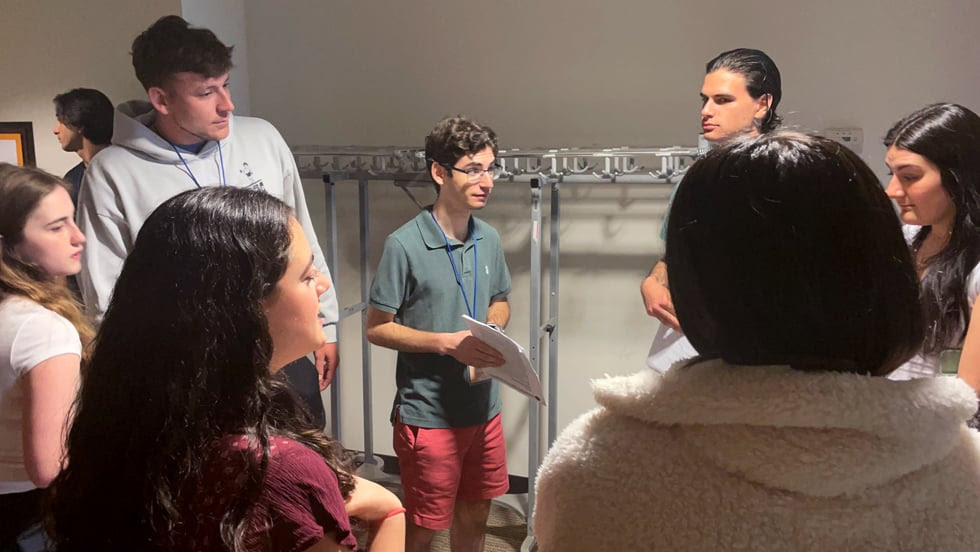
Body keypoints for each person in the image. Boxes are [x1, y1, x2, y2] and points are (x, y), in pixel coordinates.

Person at [533, 131, 980, 550]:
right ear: (882, 278)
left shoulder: (595, 467)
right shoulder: (964, 474)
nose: (895, 190)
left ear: (698, 282)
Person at [49, 187, 404, 551]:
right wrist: (391, 514)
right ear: (249, 306)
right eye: (305, 275)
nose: (323, 284)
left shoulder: (131, 426)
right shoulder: (274, 467)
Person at [75, 15, 338, 427]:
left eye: (225, 85)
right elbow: (105, 293)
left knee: (303, 468)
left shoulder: (262, 139)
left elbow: (302, 237)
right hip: (189, 370)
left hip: (282, 349)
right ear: (161, 100)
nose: (227, 104)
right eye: (206, 92)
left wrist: (328, 322)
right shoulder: (114, 172)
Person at [365, 116, 511, 552]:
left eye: (491, 168)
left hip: (484, 407)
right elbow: (377, 328)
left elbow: (500, 297)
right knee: (426, 525)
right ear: (439, 172)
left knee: (477, 511)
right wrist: (448, 343)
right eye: (473, 169)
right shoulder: (404, 244)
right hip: (428, 415)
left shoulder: (489, 238)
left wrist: (495, 328)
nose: (486, 181)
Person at [640, 48, 782, 333]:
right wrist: (654, 282)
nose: (706, 111)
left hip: (766, 341)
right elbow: (673, 257)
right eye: (705, 100)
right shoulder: (695, 179)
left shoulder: (788, 176)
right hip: (690, 338)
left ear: (762, 104)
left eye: (723, 100)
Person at [0, 164, 91, 550]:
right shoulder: (43, 331)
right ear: (9, 245)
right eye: (56, 227)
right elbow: (49, 466)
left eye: (73, 220)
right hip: (27, 517)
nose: (78, 237)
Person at [883, 103, 980, 387]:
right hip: (888, 409)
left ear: (959, 178)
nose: (892, 191)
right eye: (891, 173)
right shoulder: (911, 236)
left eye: (909, 177)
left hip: (940, 423)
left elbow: (968, 393)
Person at [52, 88, 114, 204]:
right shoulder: (72, 179)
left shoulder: (123, 169)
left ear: (78, 124)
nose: (55, 130)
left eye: (61, 121)